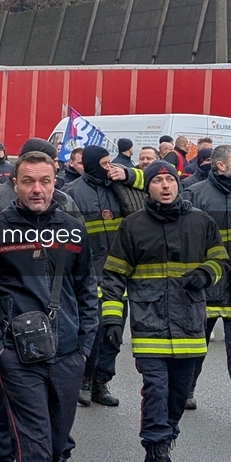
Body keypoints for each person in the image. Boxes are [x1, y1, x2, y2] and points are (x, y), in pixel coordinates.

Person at [0, 150, 98, 462]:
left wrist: (84, 344)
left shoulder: (73, 229)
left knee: (55, 443)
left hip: (68, 354)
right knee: (35, 441)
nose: (37, 189)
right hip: (18, 358)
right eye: (28, 181)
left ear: (55, 182)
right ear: (15, 184)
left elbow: (87, 288)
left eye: (45, 181)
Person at [100, 160, 229, 462]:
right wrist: (113, 318)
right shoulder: (132, 226)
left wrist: (205, 273)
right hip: (149, 323)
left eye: (169, 179)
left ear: (178, 184)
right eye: (157, 180)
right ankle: (158, 458)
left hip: (189, 323)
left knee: (177, 395)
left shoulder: (201, 223)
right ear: (149, 188)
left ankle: (160, 450)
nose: (165, 186)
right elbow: (113, 276)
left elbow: (221, 260)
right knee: (156, 390)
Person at [65, 144, 145, 407]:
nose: (108, 168)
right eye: (103, 163)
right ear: (89, 164)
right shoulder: (72, 193)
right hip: (88, 276)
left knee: (113, 333)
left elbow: (155, 185)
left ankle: (101, 381)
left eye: (111, 162)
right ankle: (84, 380)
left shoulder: (120, 189)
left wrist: (130, 176)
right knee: (91, 333)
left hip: (117, 277)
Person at [186, 145, 231, 420]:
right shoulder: (195, 195)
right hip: (206, 287)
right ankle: (186, 390)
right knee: (196, 346)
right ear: (220, 165)